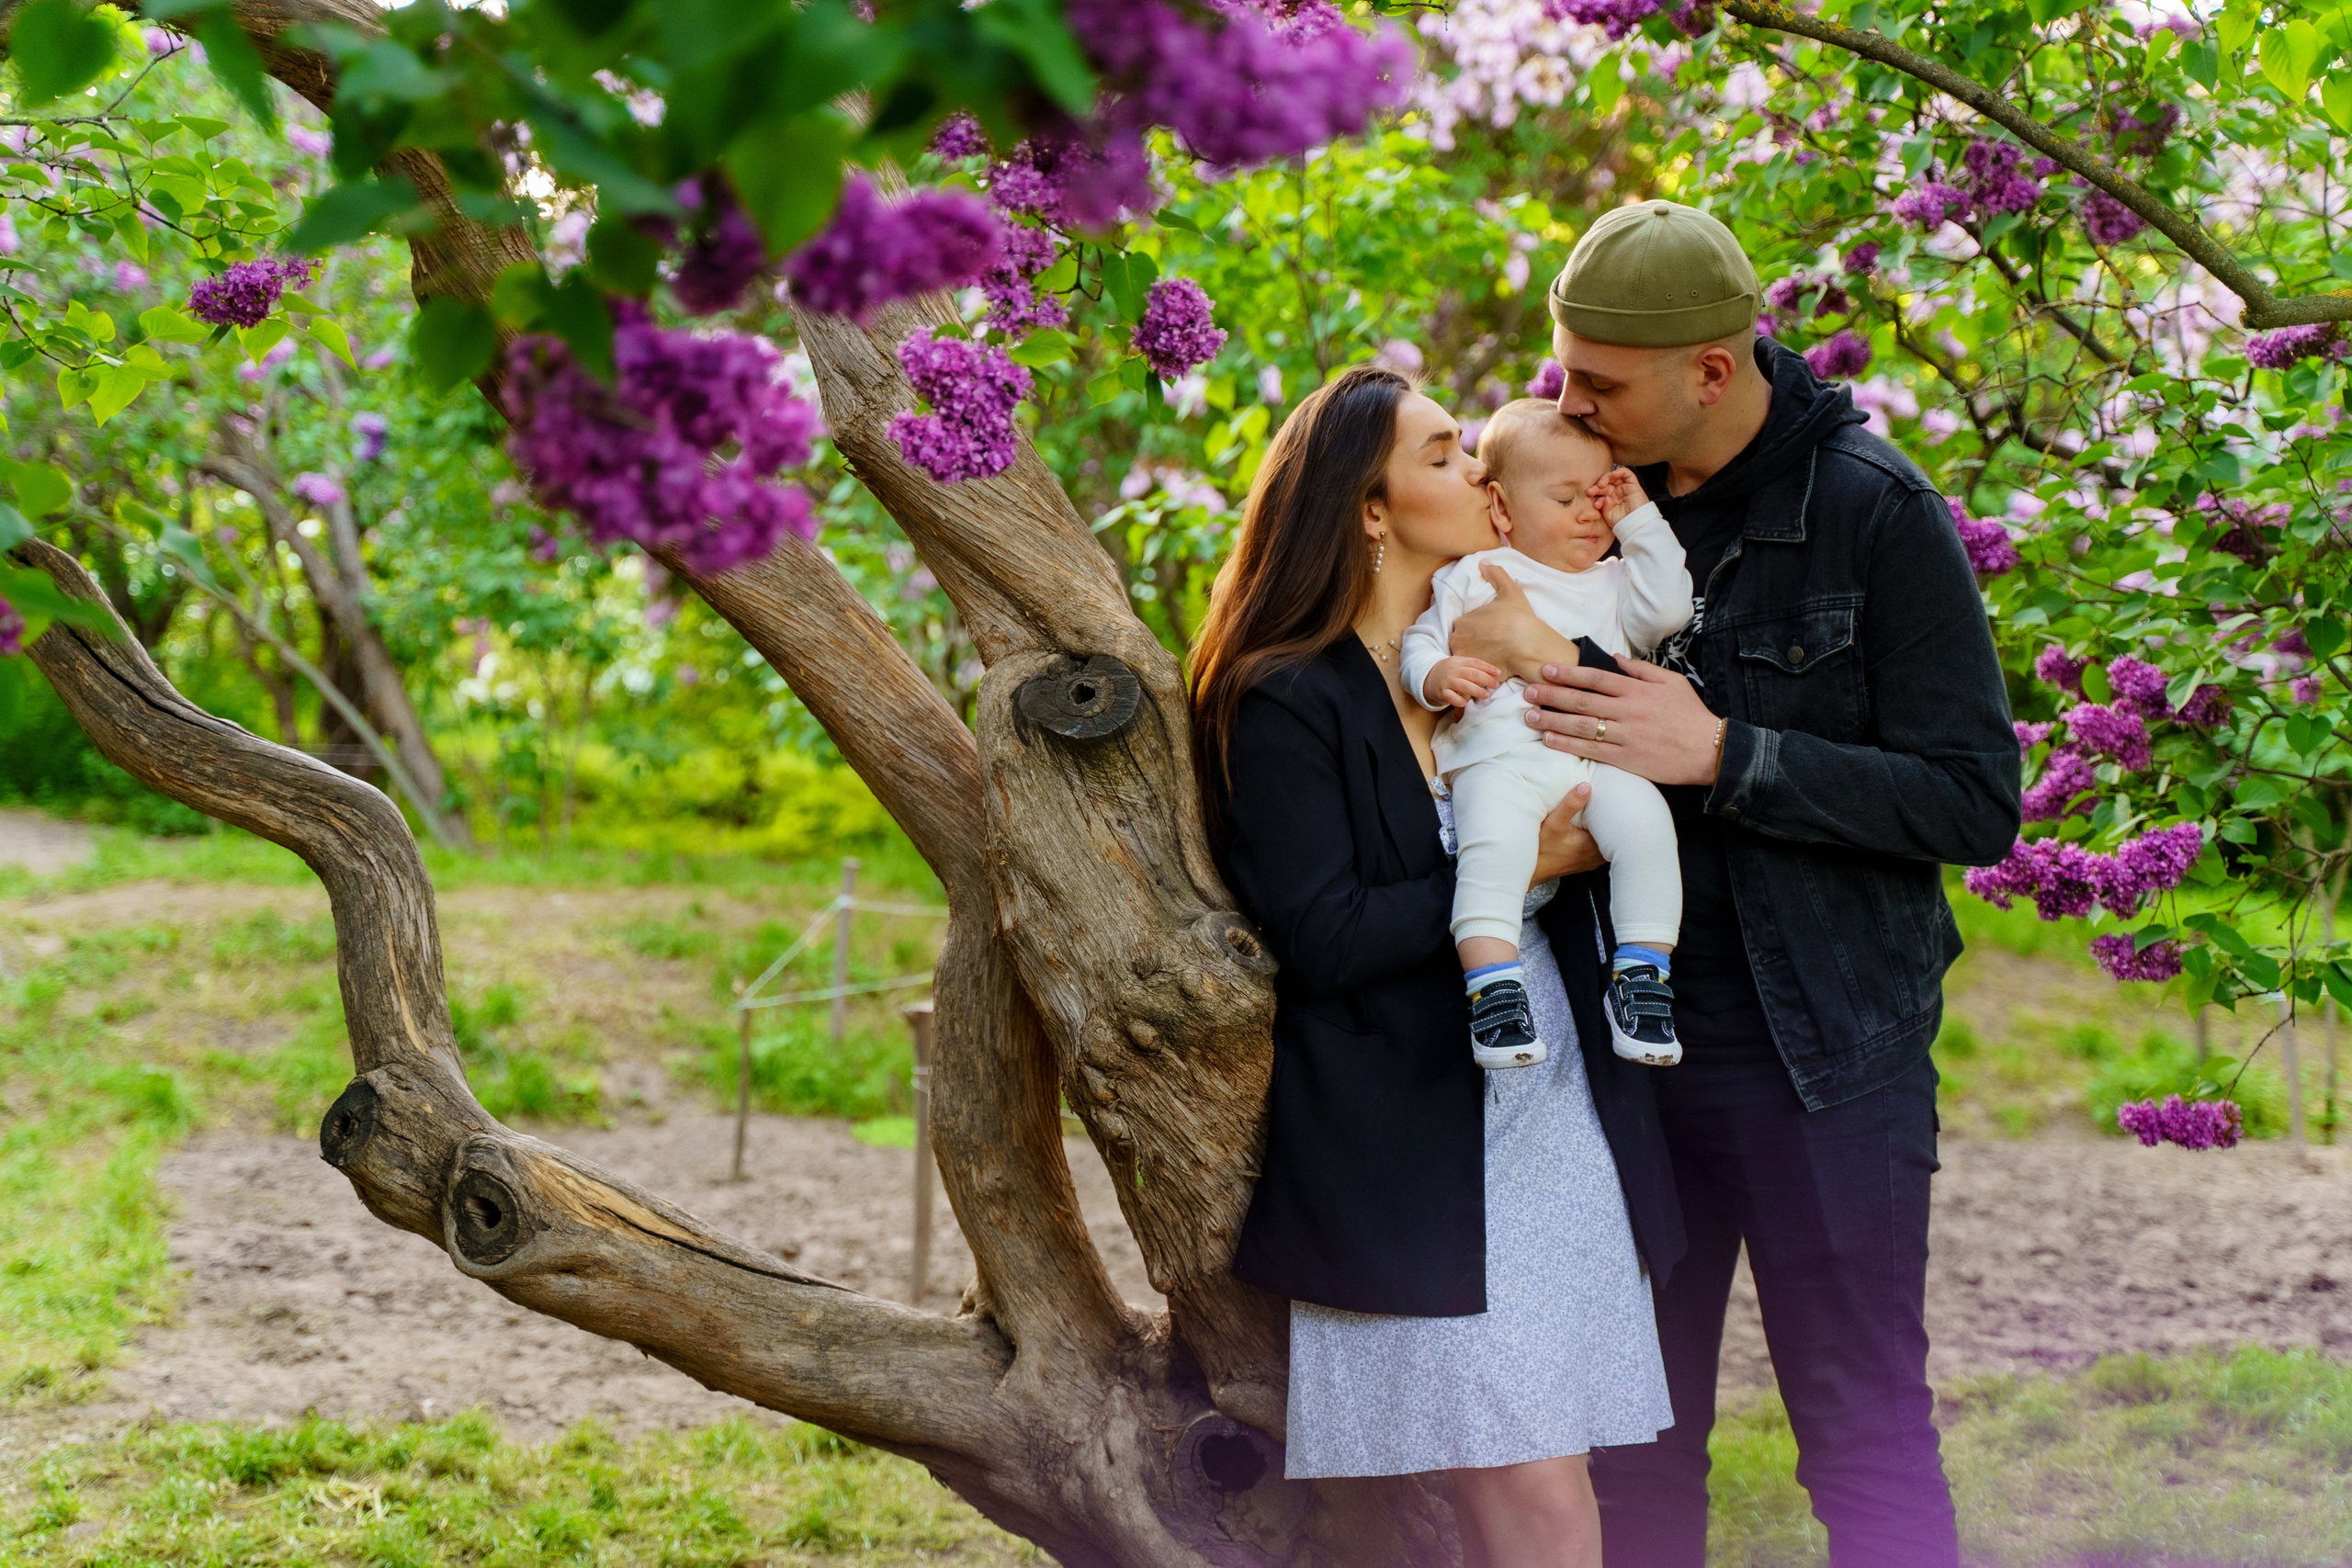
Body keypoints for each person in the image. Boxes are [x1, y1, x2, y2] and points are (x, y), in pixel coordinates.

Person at [1449, 198, 2023, 1568]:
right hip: (1619, 1059)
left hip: (1827, 1057)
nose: (1564, 400)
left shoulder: (1878, 516)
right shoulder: (1563, 496)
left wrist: (1728, 753)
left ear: (1714, 368)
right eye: (1563, 366)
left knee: (1860, 1429)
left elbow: (1973, 799)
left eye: (1601, 380)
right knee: (1636, 1441)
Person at [1191, 365, 1684, 1568]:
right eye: (1442, 454)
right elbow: (1326, 935)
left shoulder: (1505, 634)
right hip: (1424, 1140)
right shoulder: (1287, 695)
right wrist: (1527, 868)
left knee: (1543, 1475)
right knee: (1534, 1488)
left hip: (1556, 1107)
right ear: (1368, 510)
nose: (1477, 471)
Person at [1401, 399, 1691, 1070]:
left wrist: (1639, 517)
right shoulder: (1476, 575)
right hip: (1499, 761)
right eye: (1567, 498)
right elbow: (1421, 640)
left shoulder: (1616, 582)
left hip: (1592, 762)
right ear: (1501, 506)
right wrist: (1437, 673)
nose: (1591, 513)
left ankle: (1643, 974)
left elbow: (1672, 605)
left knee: (1649, 825)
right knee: (1494, 852)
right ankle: (1494, 991)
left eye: (1599, 496)